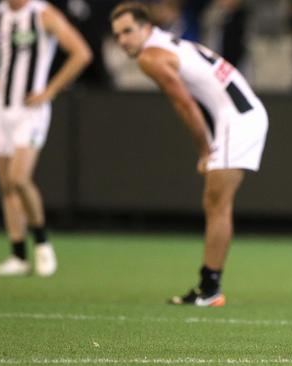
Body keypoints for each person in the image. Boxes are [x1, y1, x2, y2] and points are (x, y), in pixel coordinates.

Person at [110, 1, 268, 306]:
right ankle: (209, 286)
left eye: (128, 31)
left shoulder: (151, 56)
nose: (122, 40)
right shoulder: (169, 41)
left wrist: (204, 150)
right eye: (117, 35)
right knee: (215, 202)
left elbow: (185, 104)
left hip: (237, 120)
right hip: (241, 113)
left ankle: (210, 289)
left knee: (217, 203)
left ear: (145, 28)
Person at [0, 0, 92, 276]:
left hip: (31, 111)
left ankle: (42, 242)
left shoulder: (42, 14)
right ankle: (18, 255)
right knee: (7, 186)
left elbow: (81, 53)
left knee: (19, 179)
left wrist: (51, 90)